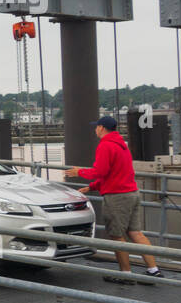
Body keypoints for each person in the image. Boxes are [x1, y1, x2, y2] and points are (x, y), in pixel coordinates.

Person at [66, 116, 162, 283]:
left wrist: (79, 172)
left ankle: (126, 274)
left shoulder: (105, 145)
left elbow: (100, 171)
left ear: (102, 128)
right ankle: (153, 270)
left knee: (117, 236)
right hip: (132, 193)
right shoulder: (121, 145)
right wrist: (93, 187)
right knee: (136, 233)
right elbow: (114, 172)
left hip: (117, 197)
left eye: (96, 127)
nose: (95, 129)